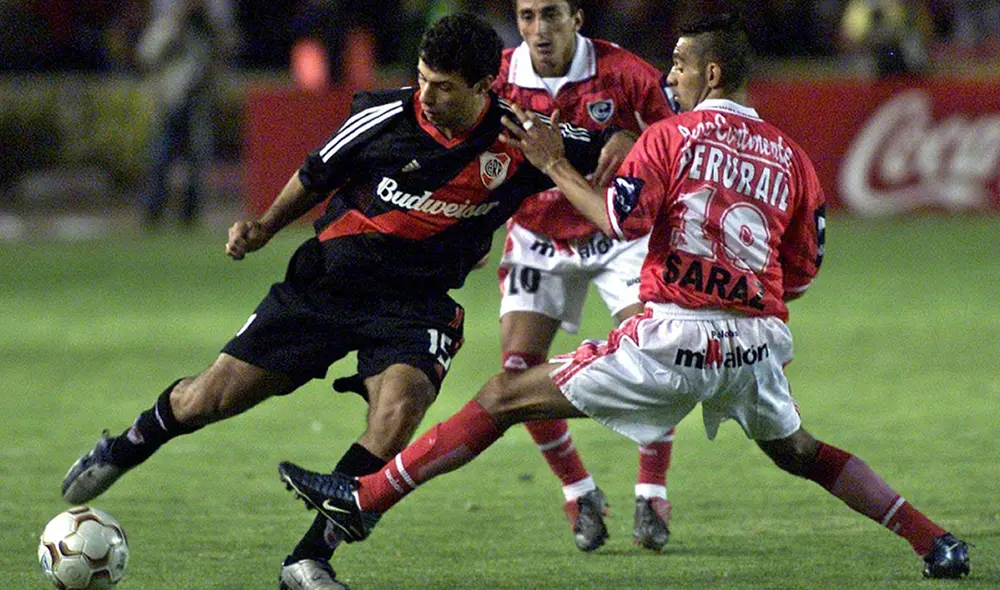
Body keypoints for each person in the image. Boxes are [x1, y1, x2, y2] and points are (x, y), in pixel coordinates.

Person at [278, 13, 971, 581]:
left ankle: (364, 500)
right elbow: (805, 268)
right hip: (757, 341)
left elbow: (619, 221)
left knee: (501, 396)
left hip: (674, 335)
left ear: (712, 73)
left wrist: (551, 161)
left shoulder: (669, 137)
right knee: (802, 453)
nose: (669, 75)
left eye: (678, 65)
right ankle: (934, 541)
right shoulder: (791, 156)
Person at [61, 13, 619, 590]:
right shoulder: (383, 116)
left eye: (443, 86)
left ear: (483, 87)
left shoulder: (522, 139)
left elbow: (617, 149)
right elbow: (314, 174)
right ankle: (128, 445)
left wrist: (623, 139)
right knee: (208, 399)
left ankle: (307, 561)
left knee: (398, 413)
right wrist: (265, 227)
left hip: (414, 305)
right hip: (327, 287)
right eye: (423, 78)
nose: (425, 93)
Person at [494, 0, 677, 552]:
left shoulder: (624, 73)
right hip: (537, 236)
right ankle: (580, 492)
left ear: (577, 17)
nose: (538, 30)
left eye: (550, 14)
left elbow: (682, 140)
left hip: (615, 232)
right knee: (517, 372)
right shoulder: (498, 78)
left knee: (656, 356)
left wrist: (633, 138)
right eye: (526, 16)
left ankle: (652, 490)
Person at [137, 0, 237, 228]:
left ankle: (189, 214)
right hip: (172, 101)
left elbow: (226, 50)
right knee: (161, 157)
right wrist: (176, 27)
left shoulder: (208, 28)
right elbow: (147, 53)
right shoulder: (170, 24)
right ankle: (153, 211)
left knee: (196, 159)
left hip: (199, 103)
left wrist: (213, 29)